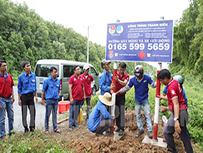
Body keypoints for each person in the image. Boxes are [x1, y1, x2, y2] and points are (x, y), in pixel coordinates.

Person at [157, 69, 193, 153]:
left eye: (162, 81)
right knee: (184, 136)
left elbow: (176, 103)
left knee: (168, 132)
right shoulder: (175, 82)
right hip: (182, 112)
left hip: (180, 113)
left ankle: (173, 151)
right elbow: (174, 99)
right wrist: (162, 97)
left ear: (165, 79)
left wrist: (176, 120)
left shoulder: (171, 87)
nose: (162, 83)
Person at [116, 65, 156, 138]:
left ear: (142, 73)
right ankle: (141, 129)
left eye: (139, 75)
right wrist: (120, 91)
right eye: (137, 76)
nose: (138, 77)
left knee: (147, 114)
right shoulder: (133, 79)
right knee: (138, 114)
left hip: (145, 98)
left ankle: (149, 131)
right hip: (137, 99)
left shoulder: (147, 78)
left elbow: (153, 85)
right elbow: (127, 87)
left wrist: (157, 83)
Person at [18, 61, 38, 134]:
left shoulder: (33, 75)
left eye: (29, 65)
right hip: (24, 97)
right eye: (27, 66)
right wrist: (19, 99)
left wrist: (36, 96)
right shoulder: (21, 77)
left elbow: (35, 86)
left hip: (31, 96)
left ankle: (32, 127)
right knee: (24, 113)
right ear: (24, 68)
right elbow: (19, 89)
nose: (29, 67)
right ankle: (26, 128)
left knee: (33, 112)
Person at [41, 67, 61, 134]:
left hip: (55, 100)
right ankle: (46, 129)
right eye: (55, 72)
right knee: (47, 114)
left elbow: (59, 90)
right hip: (49, 100)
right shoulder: (47, 81)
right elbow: (43, 91)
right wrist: (42, 99)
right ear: (51, 72)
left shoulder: (58, 81)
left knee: (54, 114)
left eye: (56, 72)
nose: (56, 73)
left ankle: (55, 128)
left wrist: (56, 95)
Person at [113, 62, 129, 136]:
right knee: (116, 111)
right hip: (115, 95)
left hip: (121, 96)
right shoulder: (116, 74)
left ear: (125, 69)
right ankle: (118, 126)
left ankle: (122, 128)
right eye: (120, 69)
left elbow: (125, 84)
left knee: (121, 112)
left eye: (122, 69)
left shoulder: (126, 76)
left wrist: (118, 80)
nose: (121, 71)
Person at [0, 60, 15, 140]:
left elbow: (12, 86)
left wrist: (13, 96)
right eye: (3, 66)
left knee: (11, 116)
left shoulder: (9, 76)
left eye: (6, 65)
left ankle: (11, 131)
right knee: (2, 118)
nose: (5, 67)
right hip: (1, 98)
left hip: (9, 98)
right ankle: (2, 134)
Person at [69, 65, 85, 131]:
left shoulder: (81, 78)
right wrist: (71, 98)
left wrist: (84, 96)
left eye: (79, 69)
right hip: (74, 98)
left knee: (77, 111)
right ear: (74, 71)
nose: (79, 70)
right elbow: (70, 88)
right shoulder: (72, 78)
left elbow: (83, 87)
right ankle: (70, 125)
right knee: (72, 111)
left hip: (80, 98)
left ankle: (75, 123)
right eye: (77, 69)